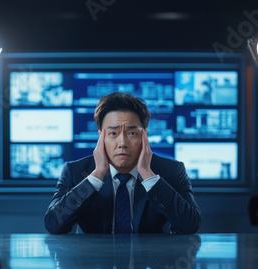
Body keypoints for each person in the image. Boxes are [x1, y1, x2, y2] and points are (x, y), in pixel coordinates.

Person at [44, 92, 201, 234]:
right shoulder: (76, 171)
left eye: (132, 133)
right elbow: (53, 224)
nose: (122, 143)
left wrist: (147, 174)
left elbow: (190, 224)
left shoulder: (172, 171)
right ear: (101, 137)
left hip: (152, 262)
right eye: (113, 133)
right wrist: (96, 175)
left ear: (144, 135)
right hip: (93, 262)